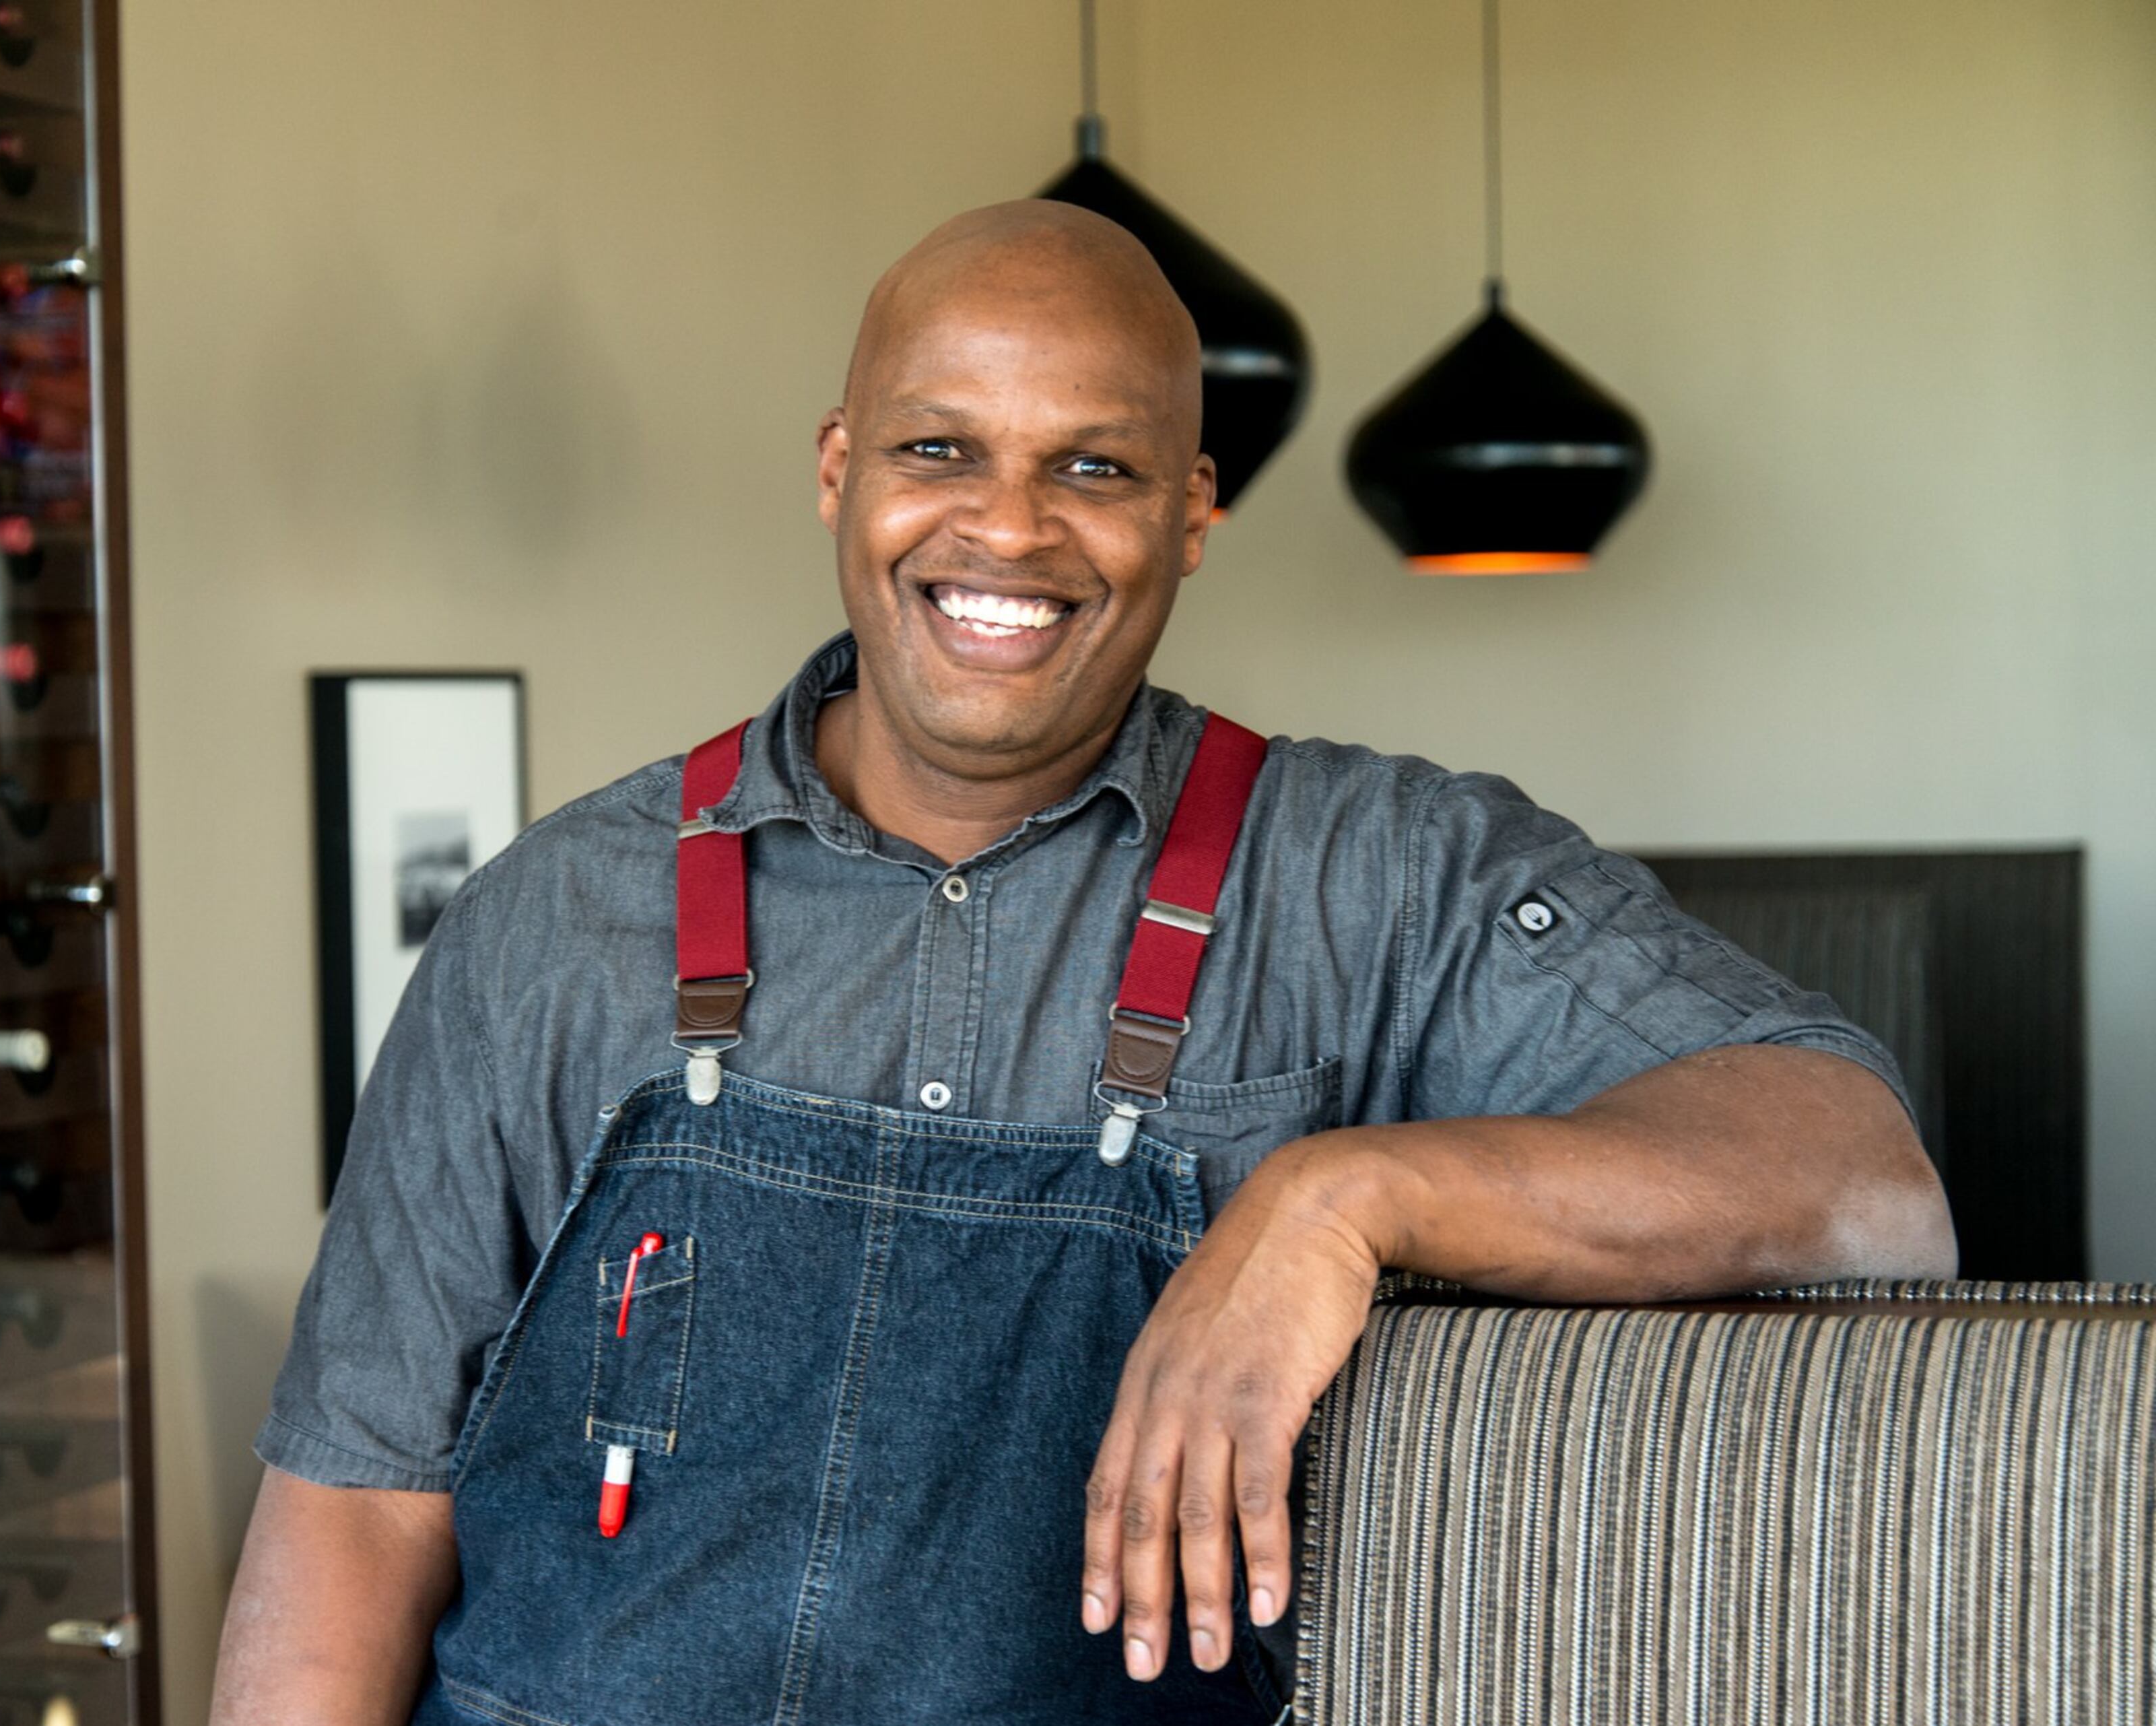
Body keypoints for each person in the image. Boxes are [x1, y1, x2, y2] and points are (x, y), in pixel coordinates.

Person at [211, 201, 1953, 1725]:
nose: (1011, 529)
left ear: (1193, 510)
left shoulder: (1378, 874)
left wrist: (1342, 1200)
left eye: (1094, 465)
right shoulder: (552, 914)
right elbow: (357, 1507)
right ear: (840, 467)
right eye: (939, 449)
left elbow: (1860, 1176)